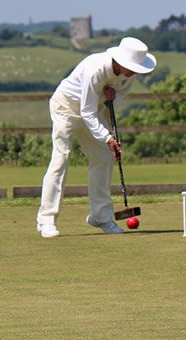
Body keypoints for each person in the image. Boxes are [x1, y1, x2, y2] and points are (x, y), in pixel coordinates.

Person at [36, 37, 156, 238]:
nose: (135, 72)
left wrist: (112, 134)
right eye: (133, 67)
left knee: (104, 158)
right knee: (60, 158)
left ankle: (100, 217)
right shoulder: (96, 69)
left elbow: (114, 101)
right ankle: (46, 220)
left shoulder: (129, 74)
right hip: (66, 108)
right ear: (120, 62)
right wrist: (107, 137)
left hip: (94, 110)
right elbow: (87, 111)